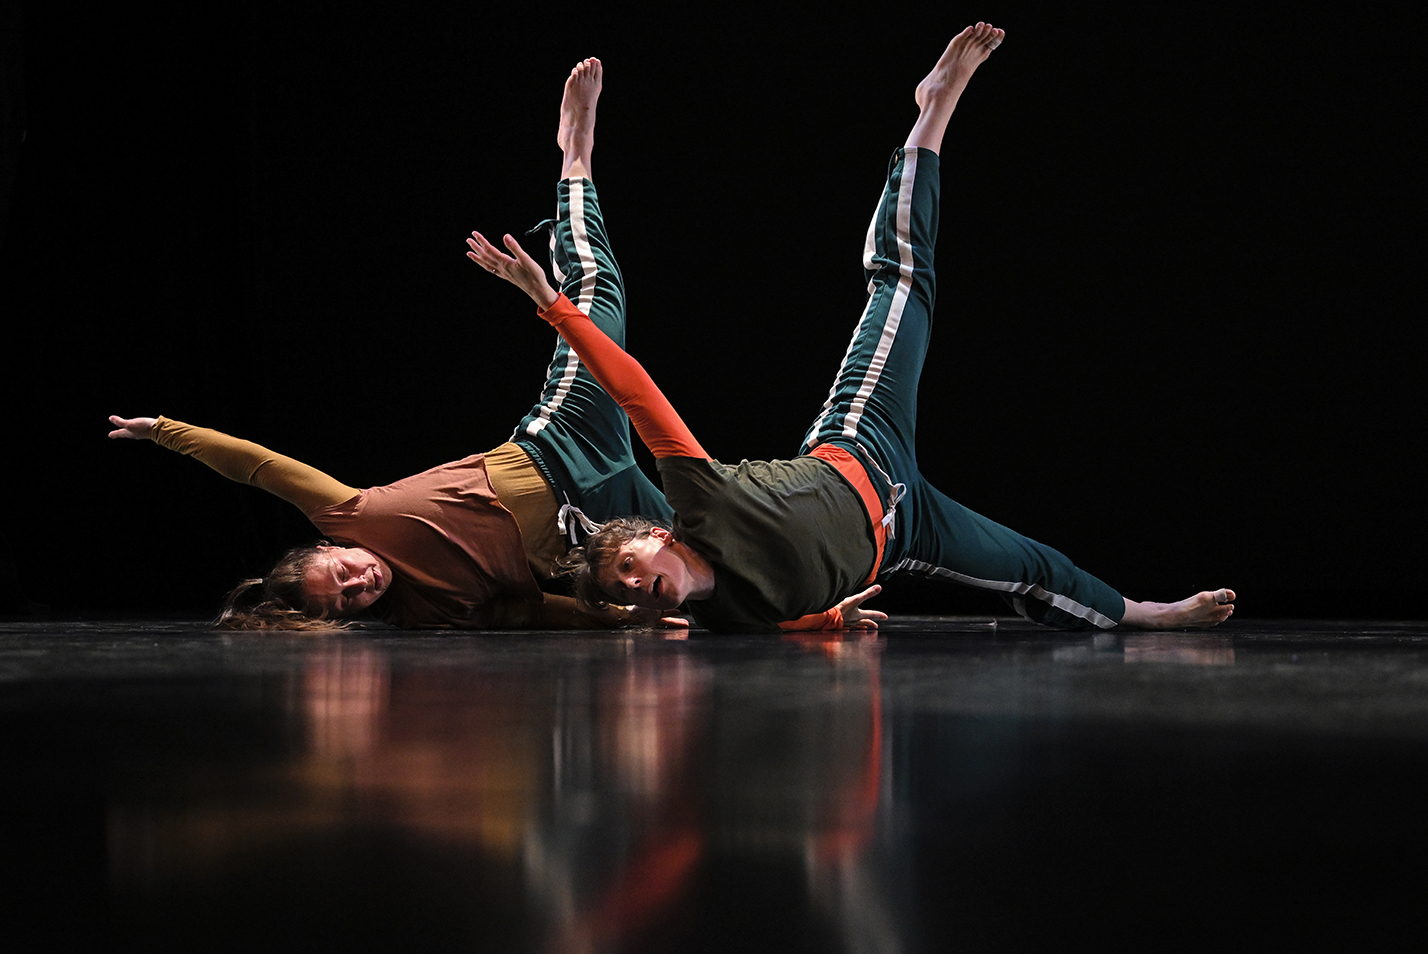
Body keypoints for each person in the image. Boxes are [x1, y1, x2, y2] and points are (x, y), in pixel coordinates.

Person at [467, 25, 1237, 633]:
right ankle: (1143, 613)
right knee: (1032, 568)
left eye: (626, 568)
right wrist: (829, 616)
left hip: (861, 445)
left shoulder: (701, 500)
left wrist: (551, 304)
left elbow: (635, 394)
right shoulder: (723, 620)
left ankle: (930, 115)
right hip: (905, 530)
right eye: (622, 595)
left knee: (901, 284)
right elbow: (783, 616)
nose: (633, 586)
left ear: (657, 538)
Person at [106, 59, 681, 631]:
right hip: (595, 526)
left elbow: (260, 467)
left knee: (595, 298)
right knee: (710, 553)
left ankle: (574, 153)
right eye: (351, 600)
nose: (361, 582)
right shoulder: (427, 610)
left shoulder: (353, 515)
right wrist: (625, 619)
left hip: (562, 441)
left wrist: (163, 430)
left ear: (329, 547)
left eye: (342, 574)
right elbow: (523, 608)